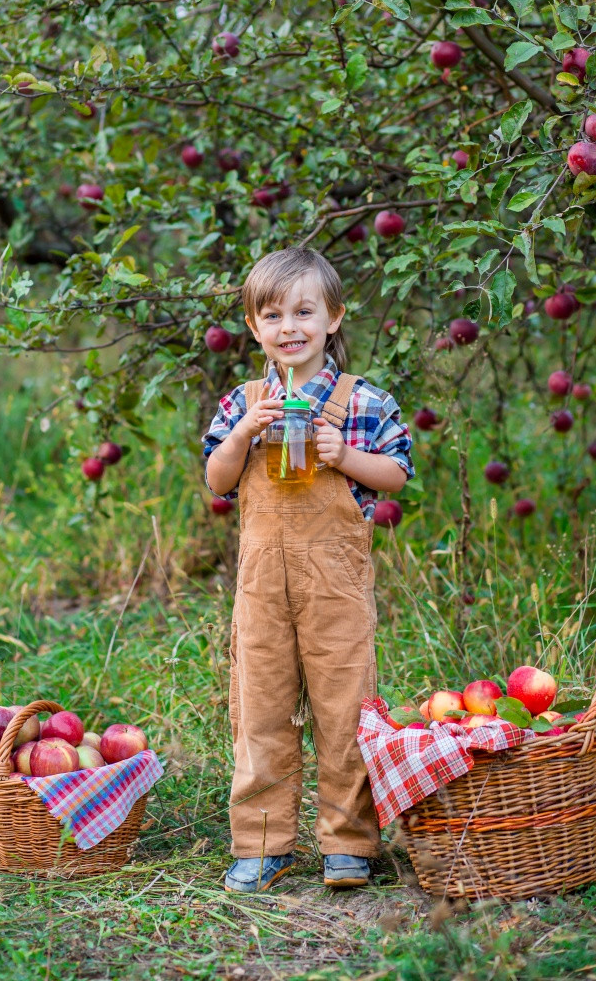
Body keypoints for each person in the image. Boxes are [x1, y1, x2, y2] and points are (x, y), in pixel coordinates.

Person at [202, 247, 414, 893]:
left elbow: (397, 477)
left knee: (345, 712)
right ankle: (263, 844)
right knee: (260, 710)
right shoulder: (246, 401)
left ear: (333, 318)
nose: (289, 326)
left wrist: (344, 453)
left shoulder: (361, 401)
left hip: (335, 590)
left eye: (304, 311)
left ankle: (348, 844)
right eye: (273, 314)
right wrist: (242, 437)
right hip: (263, 589)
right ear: (254, 326)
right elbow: (216, 479)